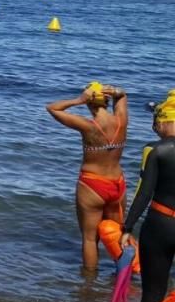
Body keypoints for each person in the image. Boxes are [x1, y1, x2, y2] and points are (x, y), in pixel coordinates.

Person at [46, 81, 128, 271]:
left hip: (93, 185)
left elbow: (52, 108)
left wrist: (78, 100)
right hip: (117, 184)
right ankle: (122, 276)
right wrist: (114, 91)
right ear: (106, 101)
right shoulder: (121, 121)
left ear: (89, 103)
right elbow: (123, 95)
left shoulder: (88, 126)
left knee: (90, 239)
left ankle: (89, 284)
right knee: (117, 235)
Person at [122, 90, 175, 302]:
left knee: (153, 291)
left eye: (156, 121)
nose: (154, 127)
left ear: (166, 121)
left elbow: (144, 193)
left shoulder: (155, 150)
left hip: (160, 224)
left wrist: (127, 227)